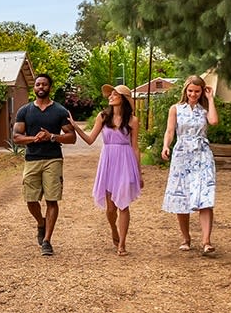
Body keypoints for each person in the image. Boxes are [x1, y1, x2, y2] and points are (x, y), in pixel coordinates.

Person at [69, 83, 142, 256]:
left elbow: (135, 148)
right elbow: (89, 139)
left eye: (115, 94)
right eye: (110, 94)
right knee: (111, 209)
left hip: (125, 161)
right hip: (108, 161)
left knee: (123, 205)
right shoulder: (102, 117)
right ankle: (113, 228)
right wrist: (76, 126)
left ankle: (122, 244)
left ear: (123, 99)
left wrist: (138, 173)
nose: (110, 96)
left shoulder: (133, 120)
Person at [12, 73, 76, 256]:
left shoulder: (60, 111)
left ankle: (47, 240)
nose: (41, 87)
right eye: (38, 84)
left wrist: (52, 137)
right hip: (32, 159)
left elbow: (72, 137)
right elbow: (16, 137)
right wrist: (35, 138)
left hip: (53, 159)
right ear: (34, 88)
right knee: (30, 199)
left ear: (50, 87)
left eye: (44, 84)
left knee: (52, 199)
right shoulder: (24, 111)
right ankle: (41, 222)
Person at [161, 75, 220, 255]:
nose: (193, 94)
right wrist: (166, 146)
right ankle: (186, 238)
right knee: (182, 196)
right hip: (182, 155)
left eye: (197, 91)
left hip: (202, 154)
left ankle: (206, 241)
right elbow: (170, 130)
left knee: (205, 196)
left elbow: (214, 121)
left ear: (202, 91)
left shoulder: (205, 109)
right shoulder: (176, 109)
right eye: (190, 91)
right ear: (185, 91)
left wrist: (210, 99)